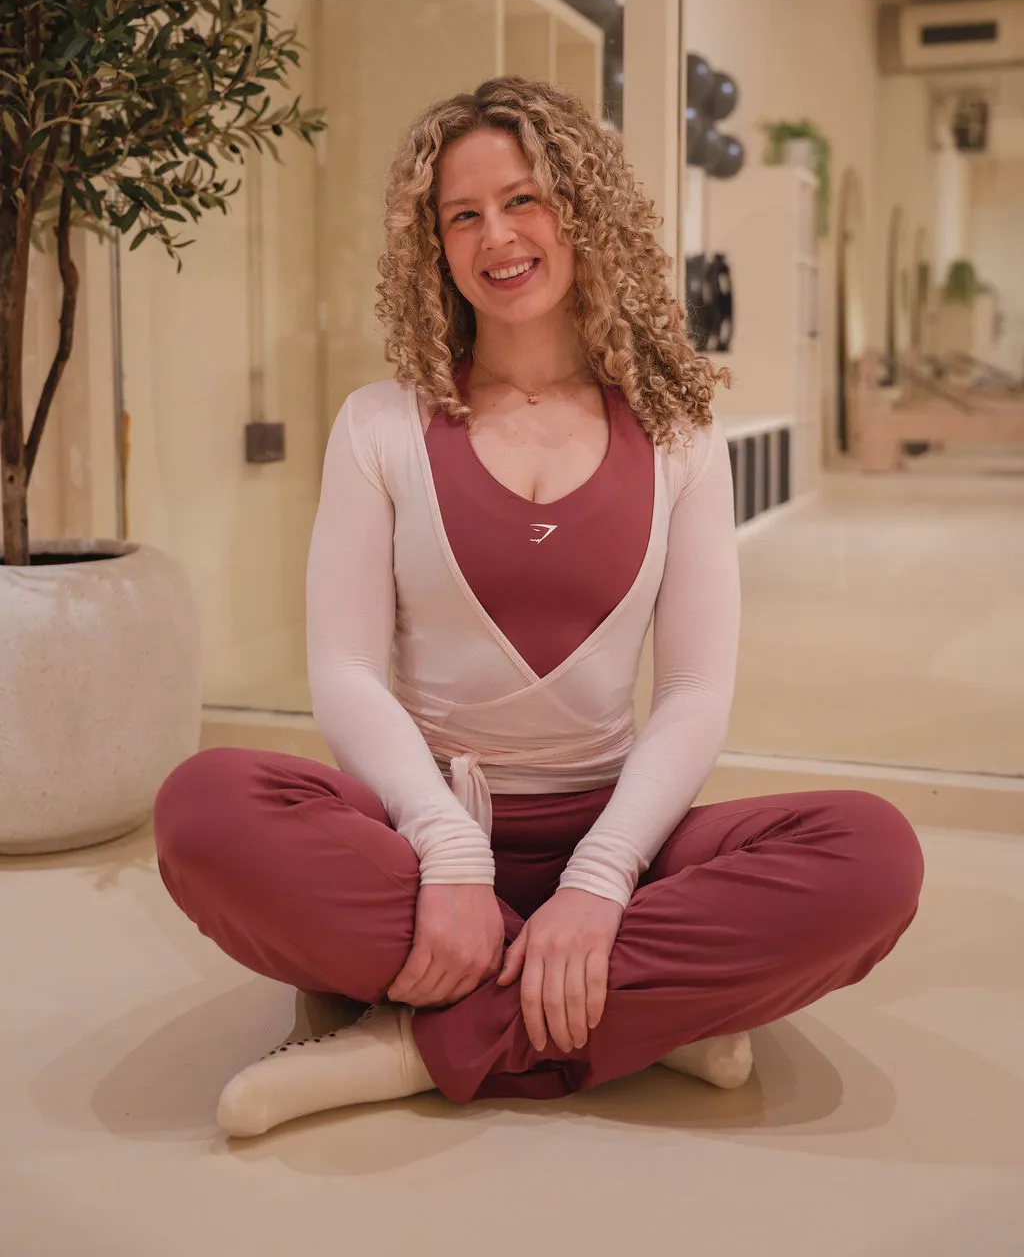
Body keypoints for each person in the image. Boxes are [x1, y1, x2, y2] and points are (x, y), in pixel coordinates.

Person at [154, 76, 925, 1138]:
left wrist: (602, 881)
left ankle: (408, 1041)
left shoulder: (679, 432)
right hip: (416, 840)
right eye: (461, 215)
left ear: (580, 210)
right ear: (432, 246)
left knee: (873, 856)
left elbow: (695, 690)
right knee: (203, 808)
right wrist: (452, 854)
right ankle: (636, 1011)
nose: (498, 236)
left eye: (524, 200)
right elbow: (343, 671)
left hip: (615, 836)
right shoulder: (378, 425)